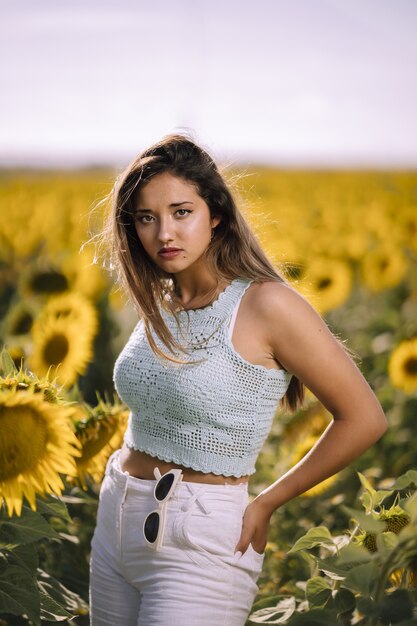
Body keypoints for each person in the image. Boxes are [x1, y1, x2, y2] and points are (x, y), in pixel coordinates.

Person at [89, 134, 388, 626]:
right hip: (116, 517)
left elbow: (365, 419)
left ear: (217, 215)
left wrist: (268, 501)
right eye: (147, 217)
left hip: (199, 537)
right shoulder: (162, 301)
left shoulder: (267, 305)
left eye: (182, 212)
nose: (165, 232)